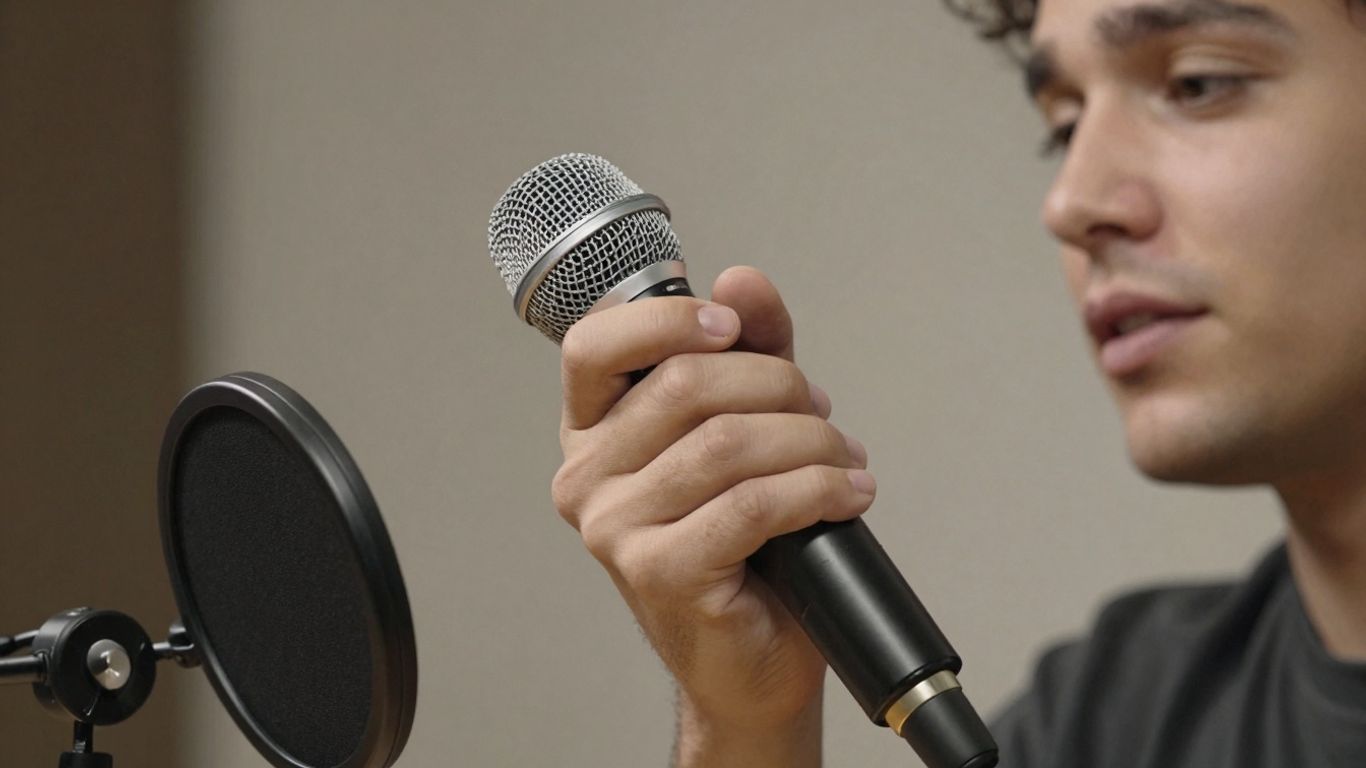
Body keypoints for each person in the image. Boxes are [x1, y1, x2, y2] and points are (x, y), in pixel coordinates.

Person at [548, 0, 1366, 764]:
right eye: (1065, 126)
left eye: (1197, 84)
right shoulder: (1106, 722)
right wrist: (747, 723)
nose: (1071, 202)